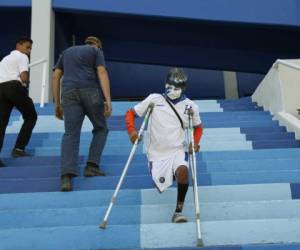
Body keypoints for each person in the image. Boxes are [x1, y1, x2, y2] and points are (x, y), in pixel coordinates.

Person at [125, 68, 203, 223]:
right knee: (160, 183)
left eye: (177, 88)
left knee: (183, 171)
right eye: (170, 86)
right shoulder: (154, 99)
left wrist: (196, 143)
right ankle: (171, 174)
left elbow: (198, 127)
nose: (172, 90)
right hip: (156, 152)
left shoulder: (191, 106)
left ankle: (178, 211)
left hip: (177, 150)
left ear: (184, 88)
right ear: (165, 84)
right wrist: (132, 131)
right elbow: (131, 113)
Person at [52, 36, 112, 191]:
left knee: (71, 133)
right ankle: (92, 166)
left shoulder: (66, 52)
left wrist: (57, 103)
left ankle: (66, 176)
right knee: (101, 128)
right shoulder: (96, 51)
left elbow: (56, 76)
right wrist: (108, 100)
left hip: (68, 93)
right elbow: (102, 72)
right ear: (97, 45)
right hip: (90, 91)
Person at [0, 37, 37, 167]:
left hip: (1, 89)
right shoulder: (22, 57)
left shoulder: (5, 59)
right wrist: (26, 84)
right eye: (27, 47)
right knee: (31, 116)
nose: (29, 51)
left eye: (30, 48)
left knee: (2, 123)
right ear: (18, 45)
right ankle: (19, 149)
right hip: (14, 87)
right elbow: (23, 76)